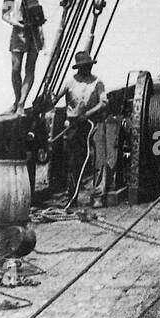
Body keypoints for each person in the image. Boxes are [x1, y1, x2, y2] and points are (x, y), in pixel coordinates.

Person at [2, 0, 72, 115]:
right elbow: (5, 15)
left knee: (30, 68)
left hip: (34, 32)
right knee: (15, 68)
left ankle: (21, 103)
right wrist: (18, 24)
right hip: (19, 32)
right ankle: (16, 100)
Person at [57, 49, 109, 206]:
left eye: (89, 65)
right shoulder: (70, 82)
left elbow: (104, 102)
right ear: (78, 67)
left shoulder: (98, 81)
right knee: (74, 160)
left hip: (95, 122)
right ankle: (72, 196)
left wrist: (88, 114)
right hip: (74, 124)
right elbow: (54, 98)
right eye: (85, 66)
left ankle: (98, 196)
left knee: (99, 159)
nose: (88, 68)